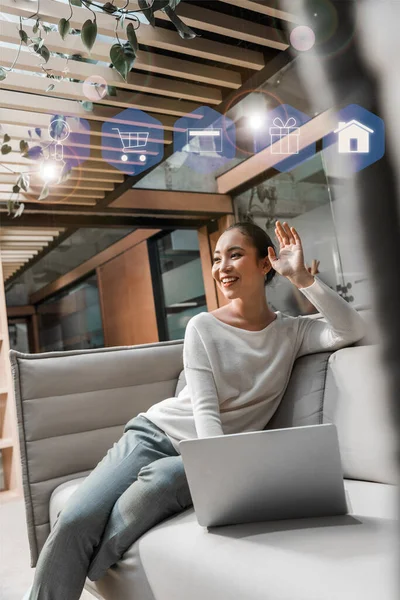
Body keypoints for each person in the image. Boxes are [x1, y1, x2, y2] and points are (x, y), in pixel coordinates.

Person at [24, 221, 365, 600]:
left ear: (266, 263)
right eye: (218, 258)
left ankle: (78, 570)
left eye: (235, 255)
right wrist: (214, 476)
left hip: (201, 457)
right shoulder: (202, 326)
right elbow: (205, 412)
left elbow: (350, 329)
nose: (222, 267)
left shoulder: (292, 332)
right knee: (76, 517)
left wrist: (302, 279)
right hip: (155, 436)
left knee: (165, 479)